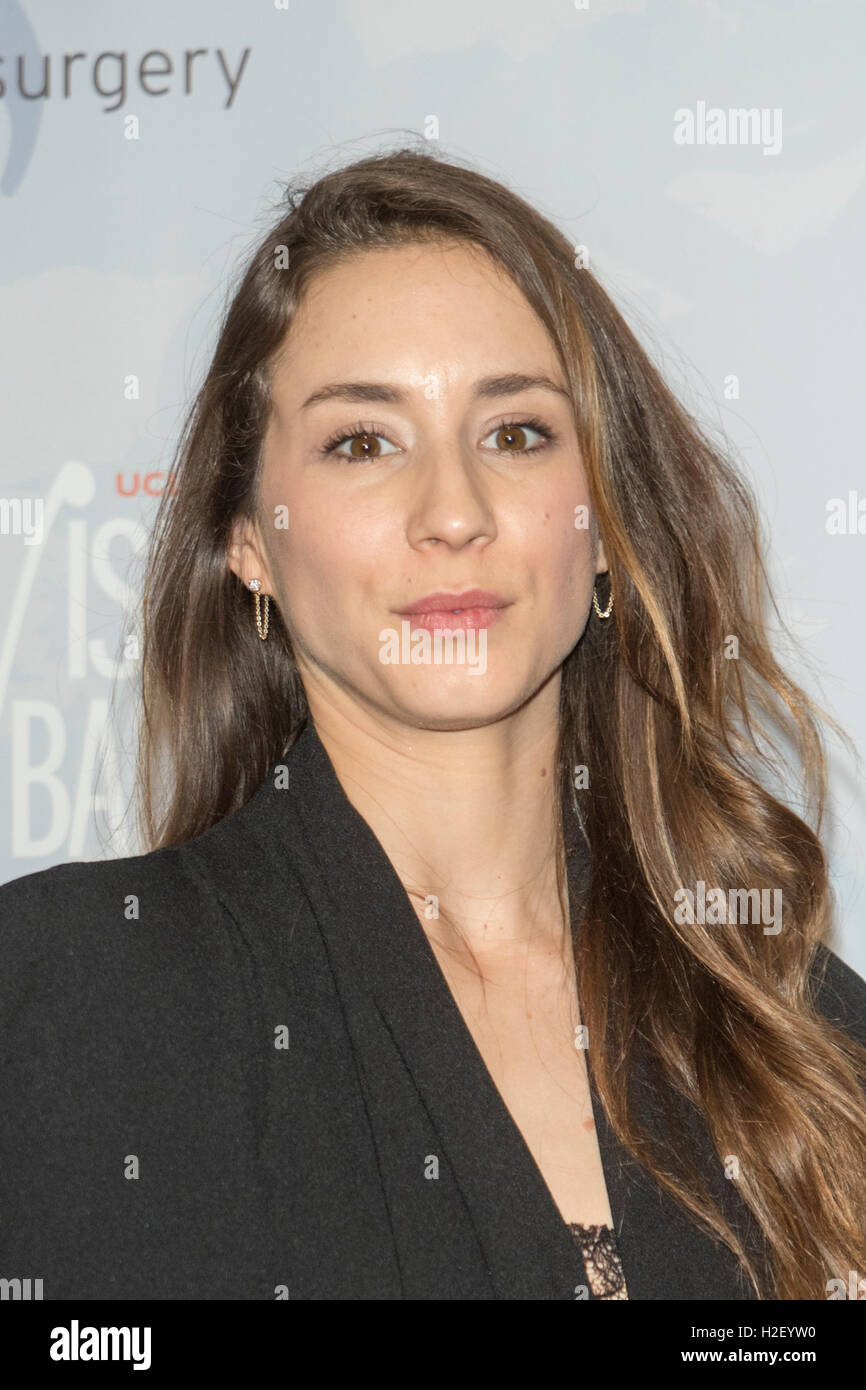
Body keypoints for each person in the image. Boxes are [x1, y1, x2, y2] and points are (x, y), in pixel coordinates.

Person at [1, 144, 865, 1302]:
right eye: (363, 441)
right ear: (249, 538)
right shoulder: (89, 992)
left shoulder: (800, 1036)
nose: (452, 511)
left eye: (514, 433)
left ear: (602, 523)